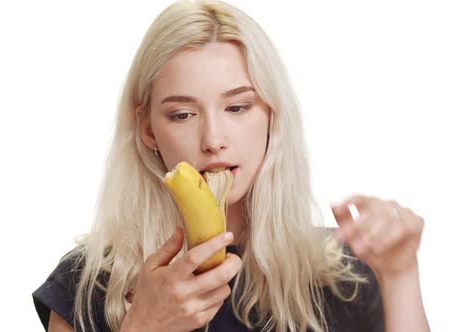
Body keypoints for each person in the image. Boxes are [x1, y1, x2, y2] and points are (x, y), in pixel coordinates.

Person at [32, 1, 430, 331]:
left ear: (272, 116)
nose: (213, 139)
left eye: (238, 107)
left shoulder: (347, 273)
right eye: (183, 114)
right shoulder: (85, 284)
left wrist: (399, 275)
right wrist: (142, 325)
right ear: (148, 130)